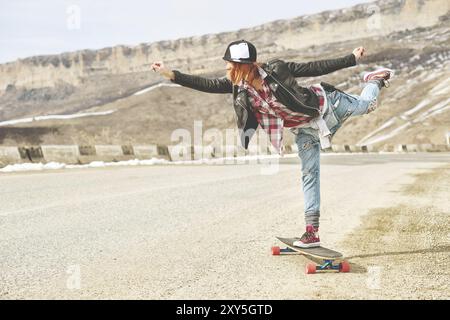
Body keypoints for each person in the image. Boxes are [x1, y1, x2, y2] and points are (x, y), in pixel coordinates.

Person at [151, 39, 393, 248]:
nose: (226, 67)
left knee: (367, 106)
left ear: (243, 65)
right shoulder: (239, 87)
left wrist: (350, 58)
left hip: (327, 106)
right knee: (310, 174)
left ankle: (374, 80)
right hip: (304, 130)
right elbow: (206, 84)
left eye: (230, 63)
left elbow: (313, 67)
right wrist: (171, 74)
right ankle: (312, 232)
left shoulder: (277, 69)